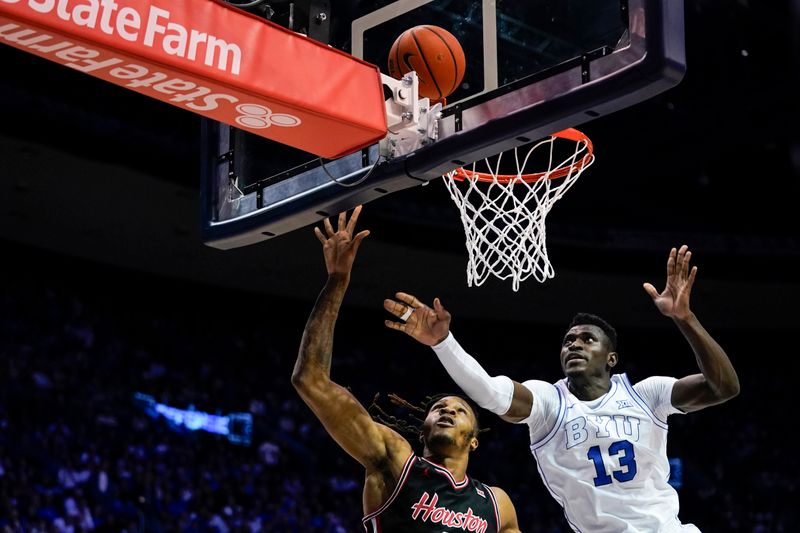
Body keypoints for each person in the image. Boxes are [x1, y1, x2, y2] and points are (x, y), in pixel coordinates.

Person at [384, 245, 740, 532]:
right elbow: (490, 393)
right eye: (569, 340)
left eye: (588, 339)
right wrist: (443, 343)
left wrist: (685, 319)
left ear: (610, 358)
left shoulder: (647, 394)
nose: (575, 345)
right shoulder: (549, 402)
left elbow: (723, 387)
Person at [291, 206, 522, 533]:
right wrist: (337, 280)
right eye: (439, 407)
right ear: (422, 430)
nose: (447, 410)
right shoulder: (394, 460)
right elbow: (310, 379)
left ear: (474, 441)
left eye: (460, 410)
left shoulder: (497, 505)